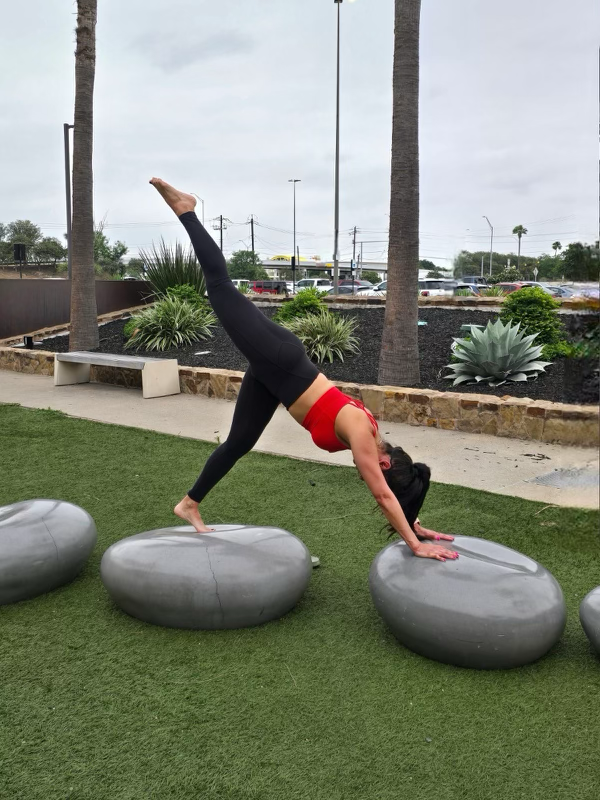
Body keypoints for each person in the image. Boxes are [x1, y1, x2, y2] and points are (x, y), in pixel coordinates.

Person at [150, 179, 458, 562]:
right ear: (383, 463)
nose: (372, 482)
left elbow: (387, 489)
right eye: (377, 476)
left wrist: (413, 522)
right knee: (220, 287)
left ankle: (189, 504)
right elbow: (382, 493)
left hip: (275, 379)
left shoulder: (373, 440)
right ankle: (187, 210)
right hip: (278, 360)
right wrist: (416, 545)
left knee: (239, 443)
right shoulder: (363, 435)